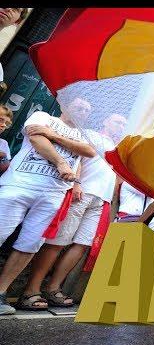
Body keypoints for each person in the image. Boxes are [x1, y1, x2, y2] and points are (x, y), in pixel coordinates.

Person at [0, 99, 96, 314]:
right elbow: (35, 137)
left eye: (88, 110)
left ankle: (0, 293)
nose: (84, 112)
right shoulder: (44, 117)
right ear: (64, 106)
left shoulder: (84, 133)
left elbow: (89, 151)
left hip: (53, 194)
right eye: (80, 107)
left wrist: (53, 135)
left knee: (30, 243)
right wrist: (61, 162)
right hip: (19, 184)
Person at [21, 117, 118, 308]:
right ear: (106, 122)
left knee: (82, 244)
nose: (121, 126)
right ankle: (31, 290)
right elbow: (77, 157)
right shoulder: (89, 133)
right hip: (83, 191)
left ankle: (53, 288)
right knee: (57, 242)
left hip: (102, 198)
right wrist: (76, 183)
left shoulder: (118, 145)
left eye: (124, 123)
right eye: (117, 122)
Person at [0, 104, 13, 174]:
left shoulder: (3, 143)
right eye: (0, 120)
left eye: (7, 123)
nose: (4, 125)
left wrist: (3, 156)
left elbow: (6, 169)